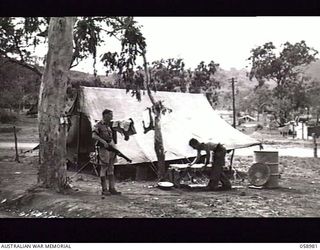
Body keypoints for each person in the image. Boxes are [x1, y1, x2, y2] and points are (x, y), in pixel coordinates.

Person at [92, 109, 121, 195]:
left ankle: (112, 188)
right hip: (104, 148)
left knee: (111, 167)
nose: (112, 117)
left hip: (111, 148)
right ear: (105, 115)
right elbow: (93, 135)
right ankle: (104, 189)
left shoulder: (109, 126)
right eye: (110, 115)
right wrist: (103, 142)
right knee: (104, 167)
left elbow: (110, 137)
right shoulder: (98, 125)